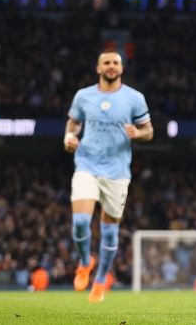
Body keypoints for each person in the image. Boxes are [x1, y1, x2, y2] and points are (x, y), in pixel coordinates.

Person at [64, 49, 153, 302]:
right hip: (87, 165)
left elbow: (149, 131)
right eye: (107, 63)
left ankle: (101, 281)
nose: (111, 66)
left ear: (122, 69)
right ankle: (84, 262)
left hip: (117, 172)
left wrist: (138, 133)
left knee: (110, 232)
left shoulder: (134, 98)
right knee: (81, 221)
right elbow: (73, 124)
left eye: (116, 62)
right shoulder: (84, 96)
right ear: (98, 68)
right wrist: (69, 137)